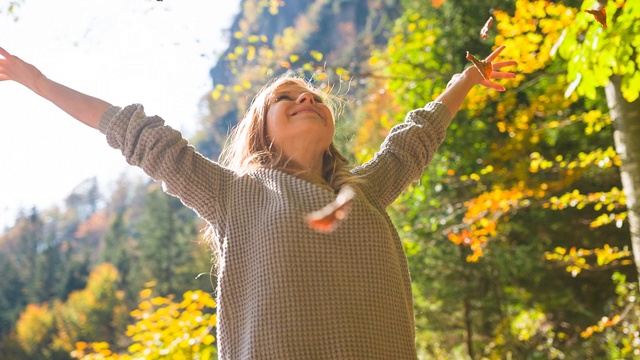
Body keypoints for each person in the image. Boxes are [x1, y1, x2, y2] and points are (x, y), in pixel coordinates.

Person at [0, 45, 516, 359]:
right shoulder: (231, 194)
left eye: (312, 95)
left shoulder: (366, 190)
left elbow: (415, 136)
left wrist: (466, 79)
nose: (306, 99)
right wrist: (35, 80)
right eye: (285, 98)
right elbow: (129, 129)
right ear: (259, 130)